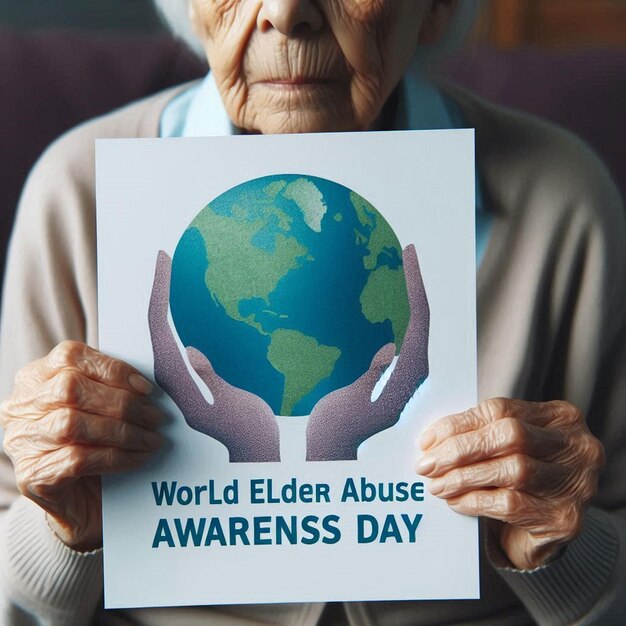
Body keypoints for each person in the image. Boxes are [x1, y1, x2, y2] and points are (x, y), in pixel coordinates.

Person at [0, 1, 624, 624]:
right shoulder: (78, 190)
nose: (286, 12)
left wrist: (559, 549)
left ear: (435, 9)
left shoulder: (562, 197)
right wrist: (63, 532)